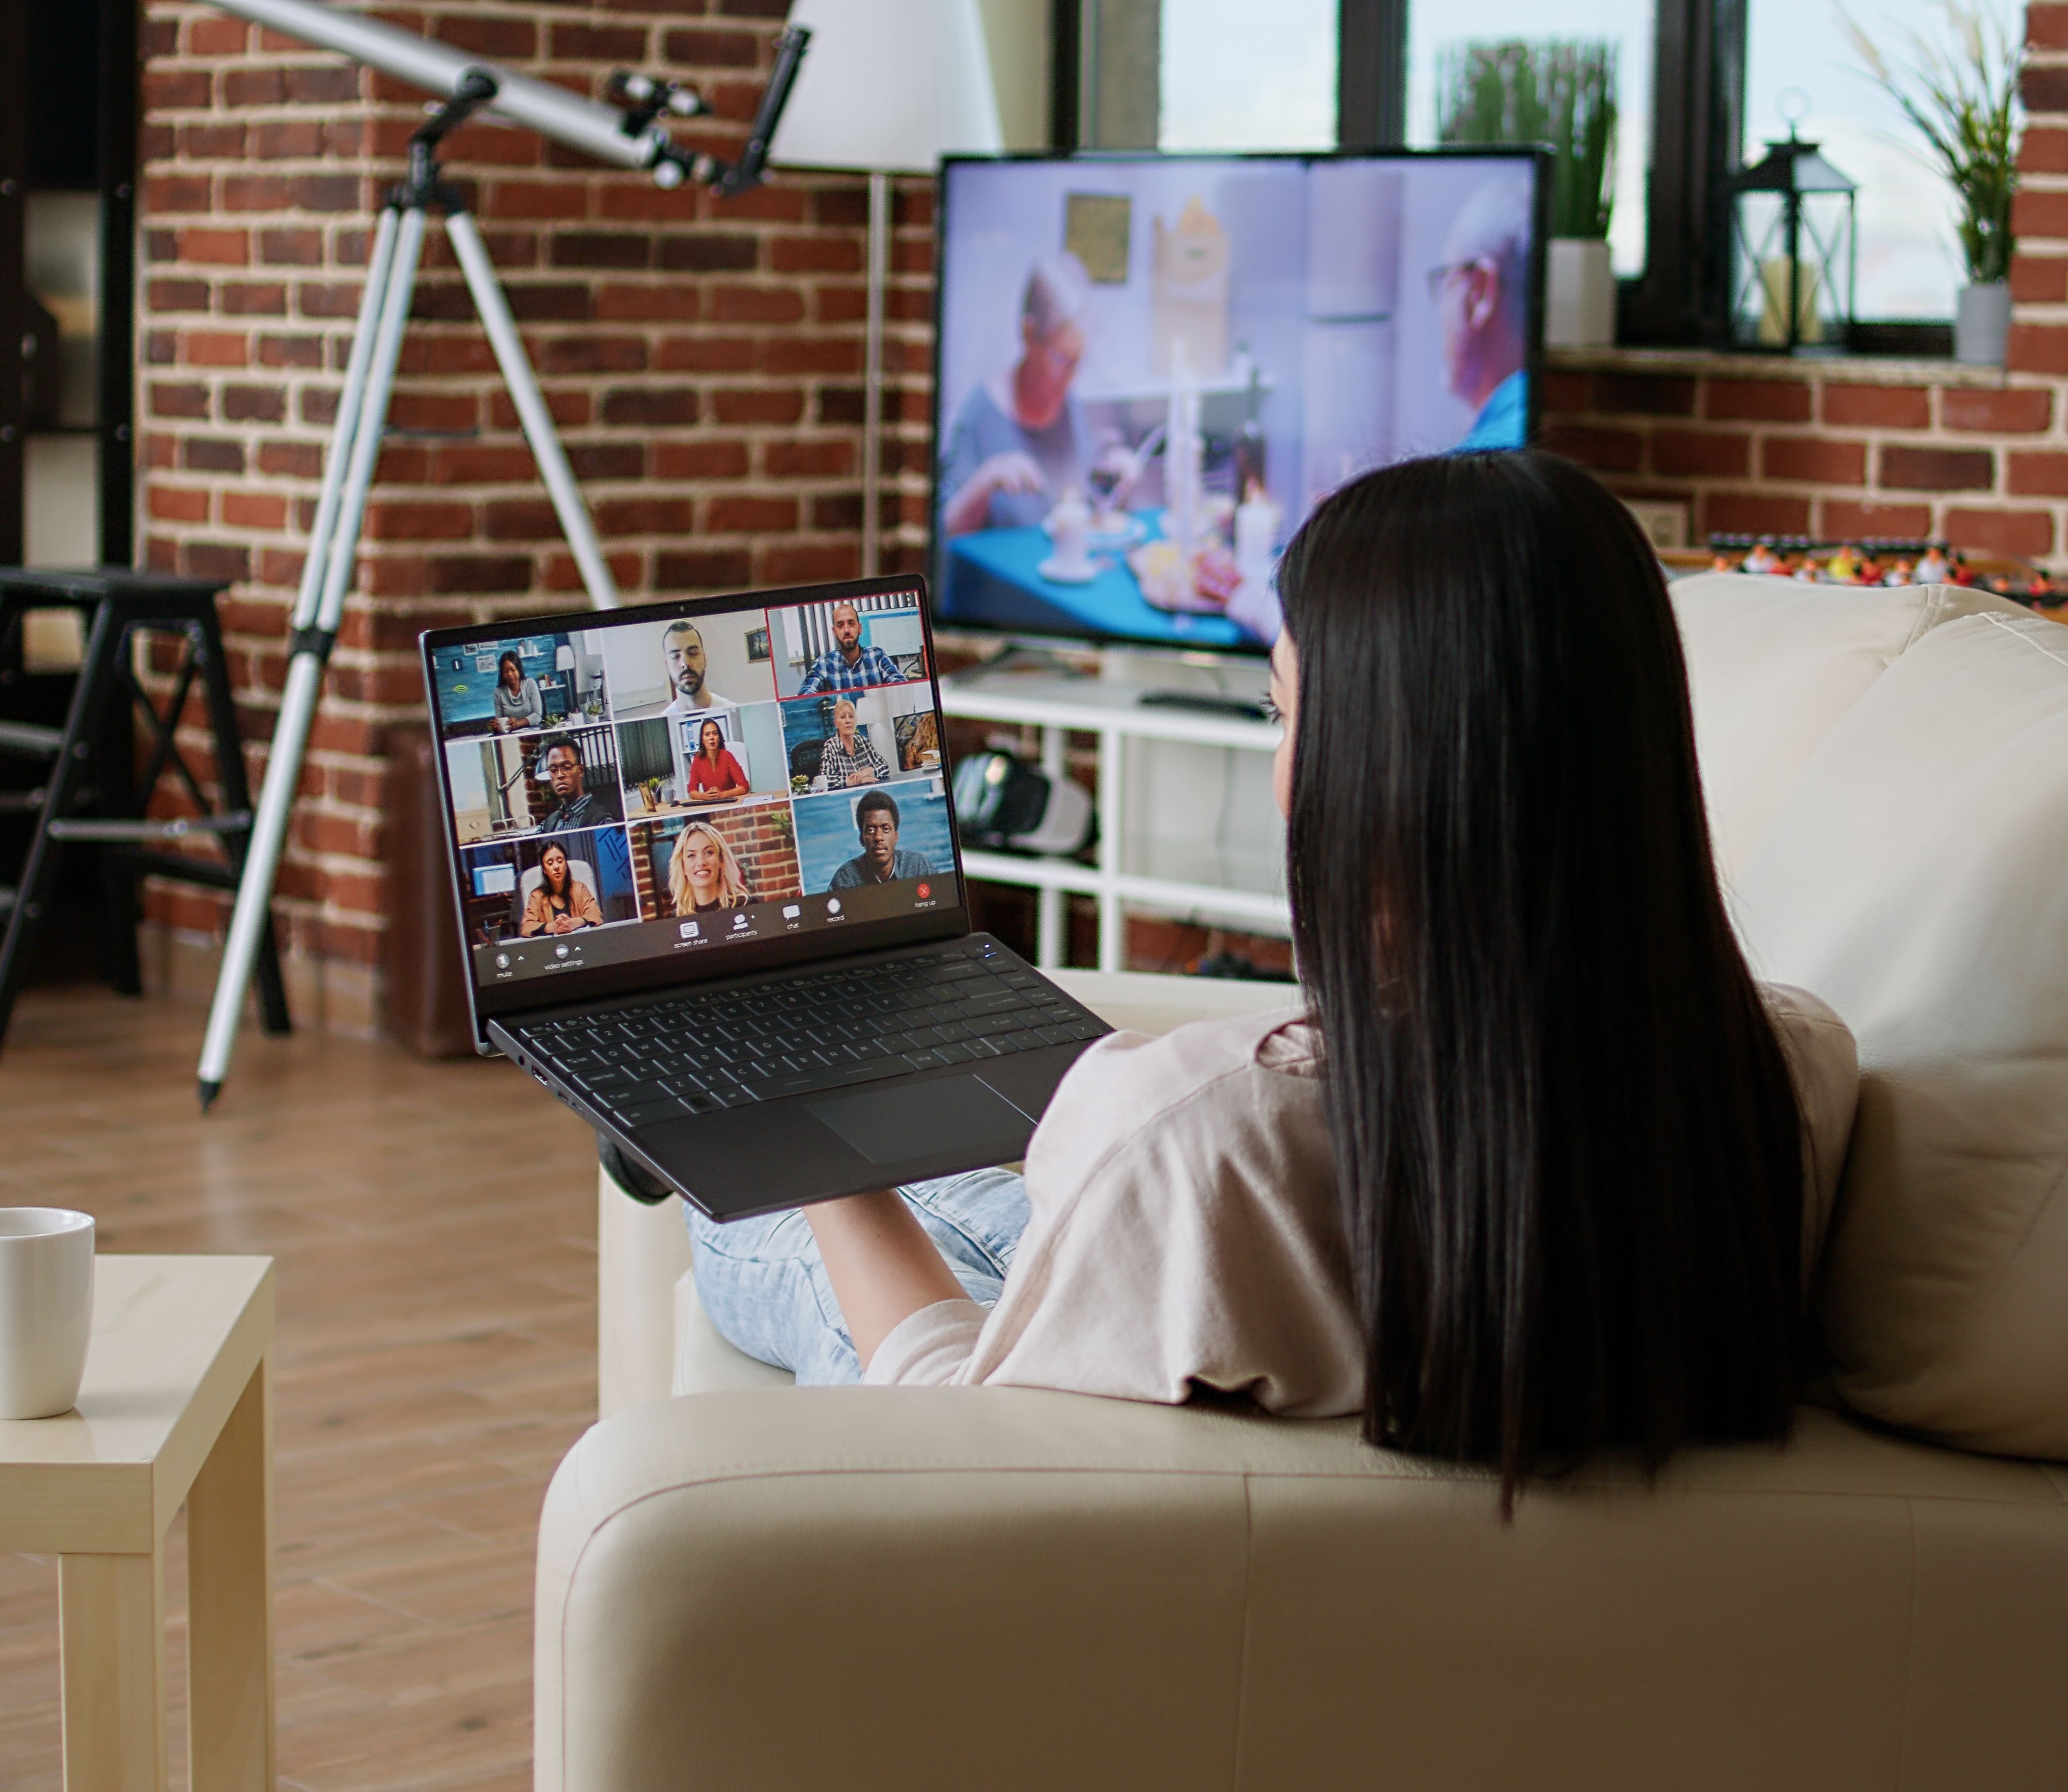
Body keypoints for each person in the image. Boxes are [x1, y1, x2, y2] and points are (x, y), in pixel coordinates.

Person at [688, 451, 1860, 1508]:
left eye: (1281, 709)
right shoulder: (1790, 1073)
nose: (1279, 768)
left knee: (733, 1216)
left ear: (1372, 775)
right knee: (980, 1199)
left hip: (1061, 1446)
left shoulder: (1203, 1134)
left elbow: (954, 1433)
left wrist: (818, 1161)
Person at [937, 254, 1142, 537]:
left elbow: (1085, 514)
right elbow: (942, 538)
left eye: (1078, 361)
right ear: (1028, 333)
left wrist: (1118, 478)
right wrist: (986, 481)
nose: (1071, 377)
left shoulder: (1070, 406)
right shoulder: (979, 416)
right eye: (1061, 359)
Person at [1429, 183, 1531, 453]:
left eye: (1446, 283)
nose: (1439, 310)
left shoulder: (1481, 467)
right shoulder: (1537, 430)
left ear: (1480, 292)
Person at [823, 788, 934, 890]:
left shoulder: (918, 867)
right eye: (871, 831)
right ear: (861, 839)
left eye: (886, 829)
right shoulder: (845, 879)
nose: (878, 837)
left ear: (896, 836)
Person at [796, 599, 910, 694]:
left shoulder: (877, 656)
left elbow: (901, 683)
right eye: (840, 625)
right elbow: (805, 695)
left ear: (860, 628)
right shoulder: (824, 664)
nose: (846, 630)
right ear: (834, 632)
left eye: (851, 624)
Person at [534, 736, 622, 834]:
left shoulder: (600, 820)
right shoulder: (550, 823)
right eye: (553, 770)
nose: (560, 775)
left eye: (567, 768)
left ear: (580, 771)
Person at [519, 841, 604, 936]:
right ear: (544, 870)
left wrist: (576, 923)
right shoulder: (537, 896)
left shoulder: (579, 889)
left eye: (560, 861)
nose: (556, 867)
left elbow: (597, 915)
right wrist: (549, 927)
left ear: (566, 865)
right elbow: (526, 927)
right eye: (550, 863)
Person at [667, 819, 745, 913]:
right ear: (683, 866)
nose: (701, 862)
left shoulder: (746, 906)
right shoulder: (677, 920)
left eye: (709, 853)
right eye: (692, 855)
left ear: (721, 860)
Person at [812, 696, 891, 790]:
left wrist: (869, 771)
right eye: (843, 717)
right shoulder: (831, 747)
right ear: (836, 723)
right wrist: (853, 781)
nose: (848, 721)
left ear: (855, 720)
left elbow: (884, 766)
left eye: (851, 717)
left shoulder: (863, 741)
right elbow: (824, 780)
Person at [659, 622, 731, 714]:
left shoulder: (732, 711)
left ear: (705, 659)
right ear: (668, 666)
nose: (685, 663)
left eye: (693, 653)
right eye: (675, 657)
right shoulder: (666, 722)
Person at [681, 716, 752, 802]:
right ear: (702, 740)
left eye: (715, 733)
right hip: (710, 806)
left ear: (719, 738)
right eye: (707, 735)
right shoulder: (698, 759)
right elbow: (692, 790)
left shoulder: (727, 756)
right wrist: (704, 796)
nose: (712, 738)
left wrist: (722, 795)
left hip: (729, 803)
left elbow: (744, 787)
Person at [491, 651, 542, 731]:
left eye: (513, 670)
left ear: (519, 670)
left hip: (533, 733)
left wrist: (518, 723)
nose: (509, 674)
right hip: (511, 736)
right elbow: (499, 719)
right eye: (505, 672)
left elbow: (537, 716)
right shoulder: (498, 692)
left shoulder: (530, 684)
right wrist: (496, 726)